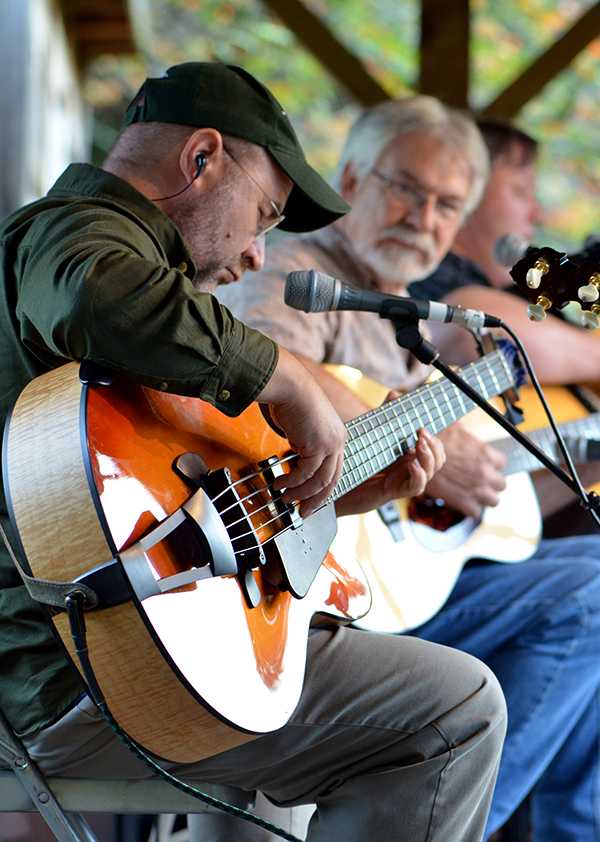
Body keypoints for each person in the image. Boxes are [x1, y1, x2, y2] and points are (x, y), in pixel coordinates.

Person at [0, 63, 506, 842]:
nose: (258, 258)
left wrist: (339, 488)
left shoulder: (139, 285)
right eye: (264, 215)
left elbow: (174, 500)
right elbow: (90, 292)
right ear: (200, 159)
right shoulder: (69, 233)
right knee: (457, 708)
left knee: (285, 709)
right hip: (78, 674)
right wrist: (290, 383)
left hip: (97, 658)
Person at [217, 96, 600, 842]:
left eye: (448, 205)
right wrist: (411, 439)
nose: (424, 218)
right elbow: (253, 371)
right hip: (297, 600)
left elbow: (461, 475)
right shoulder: (293, 271)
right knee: (590, 591)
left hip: (383, 587)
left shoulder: (397, 315)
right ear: (352, 177)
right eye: (406, 189)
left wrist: (490, 467)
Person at [413, 119, 600, 383]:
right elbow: (471, 324)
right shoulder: (424, 272)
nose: (537, 214)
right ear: (466, 194)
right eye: (521, 192)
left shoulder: (509, 291)